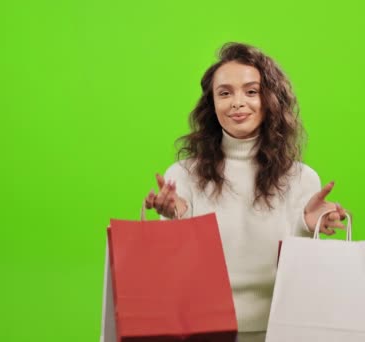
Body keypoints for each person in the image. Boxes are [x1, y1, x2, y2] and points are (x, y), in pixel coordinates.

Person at [144, 42, 348, 342]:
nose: (238, 102)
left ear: (270, 100)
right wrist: (178, 217)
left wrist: (308, 226)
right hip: (202, 329)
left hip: (282, 329)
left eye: (251, 91)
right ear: (211, 104)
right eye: (225, 93)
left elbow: (300, 268)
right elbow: (177, 266)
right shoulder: (183, 176)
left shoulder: (301, 178)